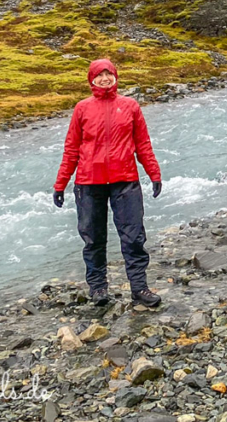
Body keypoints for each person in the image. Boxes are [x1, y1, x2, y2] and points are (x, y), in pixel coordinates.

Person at [52, 58, 163, 308]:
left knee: (133, 237)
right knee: (93, 237)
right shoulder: (82, 108)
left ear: (115, 77)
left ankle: (139, 288)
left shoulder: (130, 106)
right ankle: (98, 288)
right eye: (99, 75)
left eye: (108, 74)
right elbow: (71, 150)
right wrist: (60, 184)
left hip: (125, 181)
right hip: (89, 182)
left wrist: (154, 173)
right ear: (91, 80)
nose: (104, 79)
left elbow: (143, 144)